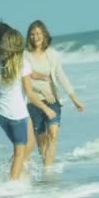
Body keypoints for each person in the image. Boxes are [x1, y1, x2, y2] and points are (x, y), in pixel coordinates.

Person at [0, 29, 56, 180]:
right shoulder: (22, 65)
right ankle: (12, 183)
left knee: (23, 149)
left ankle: (15, 175)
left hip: (2, 116)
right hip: (18, 116)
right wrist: (45, 108)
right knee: (20, 152)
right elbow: (30, 93)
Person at [24, 20, 85, 168]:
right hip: (34, 102)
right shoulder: (25, 56)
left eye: (38, 33)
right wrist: (42, 90)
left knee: (53, 135)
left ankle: (48, 170)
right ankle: (46, 166)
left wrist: (74, 99)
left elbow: (61, 76)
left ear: (44, 35)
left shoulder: (53, 55)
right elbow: (25, 80)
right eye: (32, 34)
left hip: (53, 101)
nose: (35, 37)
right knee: (42, 138)